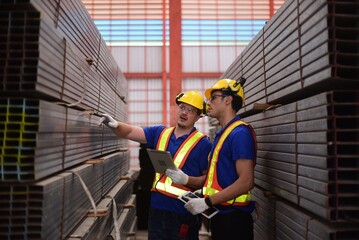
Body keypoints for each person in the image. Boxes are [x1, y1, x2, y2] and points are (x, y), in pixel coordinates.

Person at [100, 90, 212, 240]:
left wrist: (187, 180)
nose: (184, 112)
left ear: (199, 116)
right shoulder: (160, 133)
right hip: (157, 209)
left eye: (191, 110)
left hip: (183, 213)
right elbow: (131, 132)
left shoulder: (204, 144)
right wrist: (115, 125)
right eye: (182, 107)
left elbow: (207, 180)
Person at [184, 78, 257, 240]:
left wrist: (207, 202)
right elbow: (224, 177)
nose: (208, 102)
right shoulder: (223, 134)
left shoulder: (239, 134)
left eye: (213, 97)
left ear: (228, 100)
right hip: (222, 215)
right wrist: (203, 193)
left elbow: (246, 182)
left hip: (234, 220)